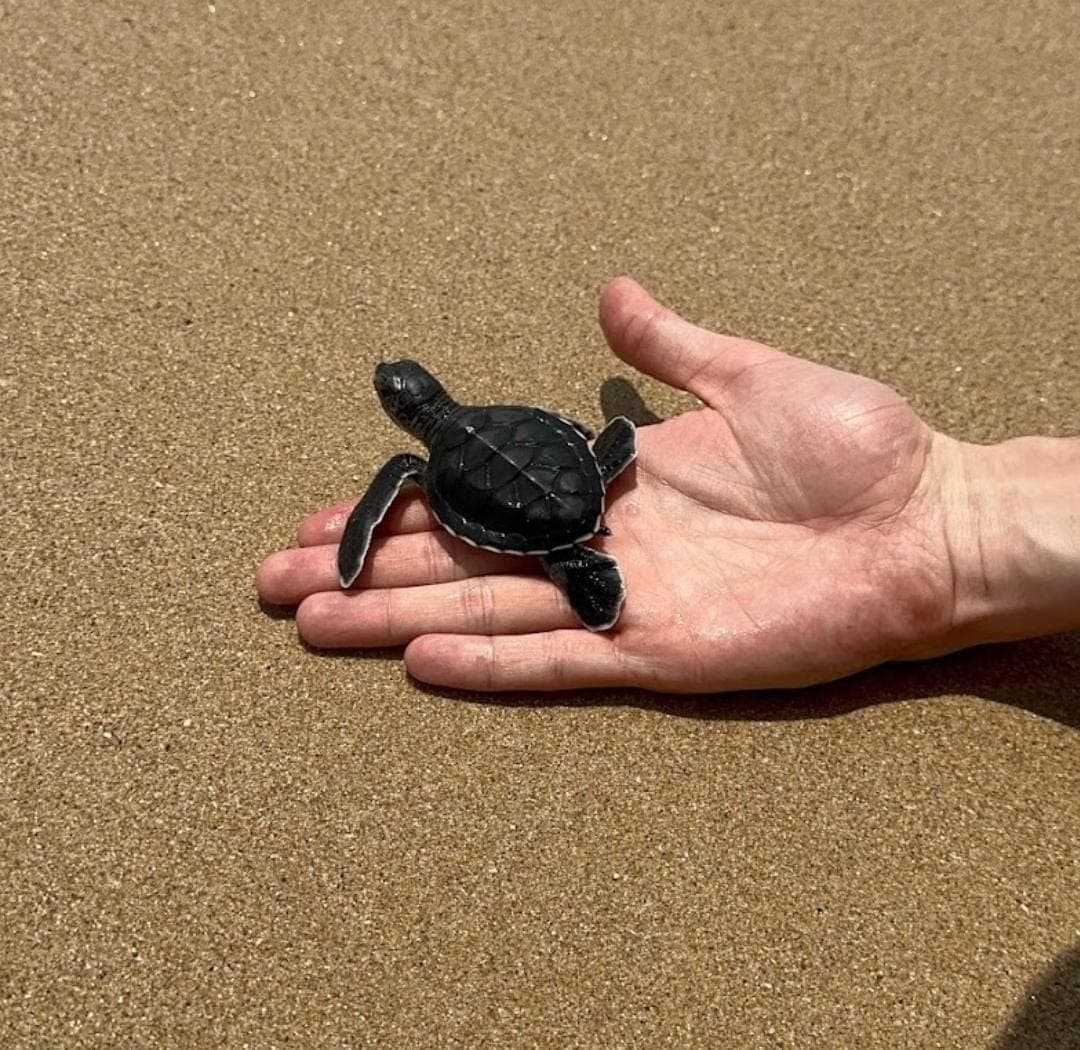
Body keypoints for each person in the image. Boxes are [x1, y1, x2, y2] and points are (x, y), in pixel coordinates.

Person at [256, 277, 1080, 692]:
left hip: (529, 501)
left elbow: (377, 511)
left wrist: (358, 547)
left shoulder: (415, 469)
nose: (399, 391)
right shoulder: (501, 415)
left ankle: (571, 560)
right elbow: (551, 433)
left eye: (396, 389)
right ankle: (591, 517)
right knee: (583, 467)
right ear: (428, 396)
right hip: (581, 471)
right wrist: (602, 456)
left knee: (560, 537)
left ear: (407, 414)